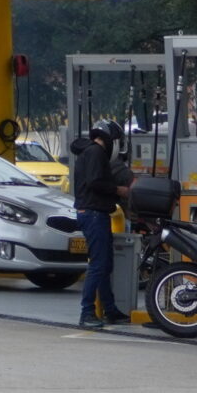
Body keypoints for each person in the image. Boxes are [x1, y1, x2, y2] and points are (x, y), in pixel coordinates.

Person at [71, 124, 122, 331]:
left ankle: (110, 310)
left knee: (105, 265)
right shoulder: (96, 152)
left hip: (95, 213)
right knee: (98, 264)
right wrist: (118, 190)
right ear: (110, 139)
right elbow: (95, 182)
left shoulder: (89, 152)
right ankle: (87, 312)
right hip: (93, 214)